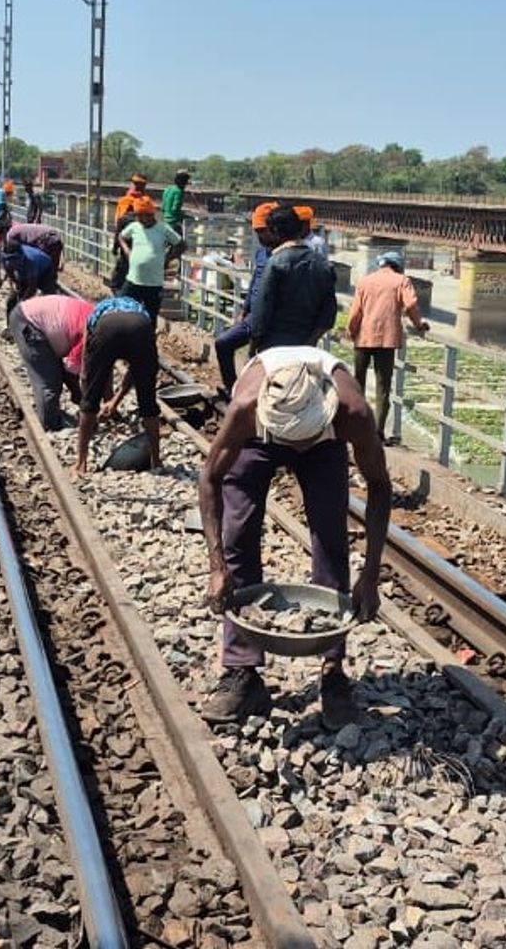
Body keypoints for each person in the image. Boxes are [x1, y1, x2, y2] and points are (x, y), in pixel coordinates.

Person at [198, 346, 392, 727]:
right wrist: (216, 566)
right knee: (238, 532)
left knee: (330, 535)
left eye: (302, 440)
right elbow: (210, 478)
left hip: (327, 442)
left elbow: (379, 487)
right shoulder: (247, 409)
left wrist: (370, 576)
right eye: (292, 441)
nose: (296, 450)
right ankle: (242, 672)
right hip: (259, 438)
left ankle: (333, 671)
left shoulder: (352, 412)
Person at [74, 295, 162, 475]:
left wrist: (90, 391)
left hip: (107, 329)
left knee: (90, 401)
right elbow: (134, 373)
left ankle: (80, 463)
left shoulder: (96, 314)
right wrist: (116, 400)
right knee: (148, 400)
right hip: (141, 327)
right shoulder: (139, 310)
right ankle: (156, 460)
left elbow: (87, 368)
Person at [347, 250, 429, 443]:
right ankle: (377, 432)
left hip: (363, 338)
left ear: (381, 264)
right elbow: (411, 306)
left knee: (357, 382)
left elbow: (355, 312)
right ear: (398, 265)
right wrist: (419, 324)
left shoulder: (365, 281)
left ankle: (355, 427)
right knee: (383, 387)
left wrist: (351, 331)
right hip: (387, 340)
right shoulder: (402, 281)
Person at [249, 205, 338, 352]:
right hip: (309, 343)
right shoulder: (324, 265)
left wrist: (253, 347)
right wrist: (312, 340)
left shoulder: (274, 263)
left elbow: (262, 311)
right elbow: (329, 311)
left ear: (275, 232)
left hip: (275, 343)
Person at [214, 201, 277, 397]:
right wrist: (245, 308)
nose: (260, 236)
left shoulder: (284, 256)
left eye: (263, 231)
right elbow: (254, 283)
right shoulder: (261, 253)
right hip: (254, 315)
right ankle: (232, 390)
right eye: (257, 232)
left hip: (274, 318)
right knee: (223, 343)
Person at [7, 294, 93, 431]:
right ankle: (50, 426)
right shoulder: (91, 336)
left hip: (38, 317)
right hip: (29, 322)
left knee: (55, 373)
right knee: (49, 384)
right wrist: (80, 397)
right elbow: (70, 372)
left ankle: (52, 416)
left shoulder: (98, 321)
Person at [116, 197, 184, 323]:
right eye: (138, 216)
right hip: (133, 280)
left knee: (150, 317)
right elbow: (121, 236)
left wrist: (167, 258)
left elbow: (180, 244)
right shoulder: (135, 227)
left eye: (141, 216)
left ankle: (148, 341)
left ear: (150, 215)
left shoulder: (163, 229)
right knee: (122, 309)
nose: (139, 219)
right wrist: (127, 251)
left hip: (153, 284)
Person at [1, 238, 57, 305]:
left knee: (48, 295)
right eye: (7, 259)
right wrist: (15, 285)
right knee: (22, 289)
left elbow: (32, 287)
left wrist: (21, 303)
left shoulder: (30, 260)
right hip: (23, 267)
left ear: (19, 256)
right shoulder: (5, 257)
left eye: (12, 259)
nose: (9, 262)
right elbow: (9, 273)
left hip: (46, 269)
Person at [161, 169, 191, 236]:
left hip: (165, 221)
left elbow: (163, 207)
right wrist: (184, 216)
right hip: (174, 223)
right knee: (180, 243)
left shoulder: (168, 189)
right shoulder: (179, 192)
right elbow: (175, 209)